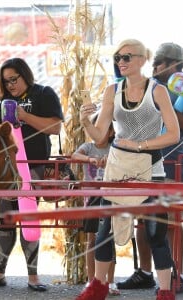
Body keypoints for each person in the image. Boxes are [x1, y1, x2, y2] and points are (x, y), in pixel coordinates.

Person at [76, 39, 180, 300]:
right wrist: (84, 121)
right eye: (118, 57)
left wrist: (139, 144)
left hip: (150, 167)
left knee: (156, 233)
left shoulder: (157, 91)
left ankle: (166, 291)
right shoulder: (112, 90)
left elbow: (174, 134)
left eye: (126, 57)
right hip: (118, 168)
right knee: (105, 232)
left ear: (143, 59)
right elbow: (100, 137)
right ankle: (97, 288)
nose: (120, 62)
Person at [116, 43, 183, 294]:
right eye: (153, 61)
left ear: (175, 64)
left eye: (159, 61)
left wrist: (168, 108)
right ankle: (145, 273)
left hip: (175, 163)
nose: (154, 66)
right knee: (144, 221)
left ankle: (177, 272)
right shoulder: (145, 86)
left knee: (170, 222)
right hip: (142, 161)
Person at [0, 57, 64, 291]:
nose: (10, 86)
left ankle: (33, 277)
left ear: (25, 75)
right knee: (6, 218)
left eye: (14, 79)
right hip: (6, 170)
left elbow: (56, 127)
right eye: (6, 82)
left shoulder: (43, 93)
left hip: (33, 165)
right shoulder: (0, 99)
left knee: (28, 217)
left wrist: (23, 116)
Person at [71, 114, 119, 296]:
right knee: (92, 239)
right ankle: (92, 281)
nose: (98, 132)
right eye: (95, 127)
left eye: (104, 128)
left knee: (109, 239)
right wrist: (91, 160)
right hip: (91, 198)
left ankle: (110, 281)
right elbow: (75, 155)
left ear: (112, 131)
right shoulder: (88, 147)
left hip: (110, 197)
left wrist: (111, 161)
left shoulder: (115, 149)